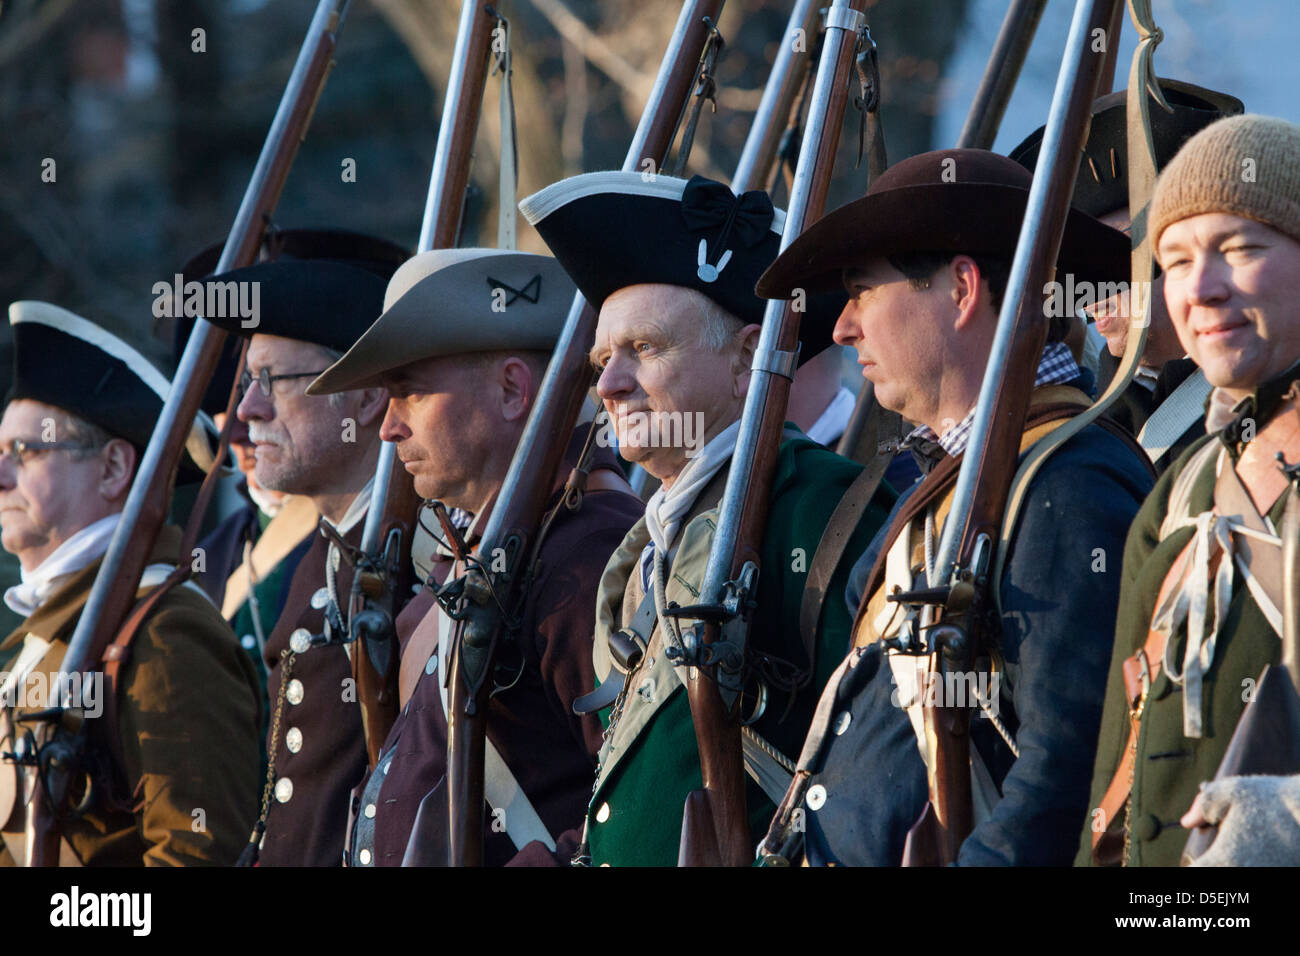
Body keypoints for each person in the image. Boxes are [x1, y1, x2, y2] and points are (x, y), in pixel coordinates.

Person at [755, 148, 1155, 865]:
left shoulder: (1066, 481)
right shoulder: (958, 483)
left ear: (963, 288)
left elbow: (1069, 767)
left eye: (862, 291)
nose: (843, 328)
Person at [520, 170, 896, 866]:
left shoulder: (823, 510)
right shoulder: (644, 549)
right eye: (604, 359)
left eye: (645, 349)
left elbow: (881, 772)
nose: (607, 385)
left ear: (749, 357)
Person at [305, 248, 643, 866]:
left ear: (514, 389)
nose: (387, 427)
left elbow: (640, 805)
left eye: (409, 393)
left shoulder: (589, 550)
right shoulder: (489, 550)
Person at [1081, 115, 1300, 867]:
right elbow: (1119, 780)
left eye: (1240, 249)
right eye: (1173, 260)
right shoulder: (1182, 488)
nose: (1201, 289)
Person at [0, 301, 261, 866]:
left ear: (115, 469)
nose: (1, 475)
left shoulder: (165, 633)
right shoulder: (56, 627)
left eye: (26, 451)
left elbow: (197, 855)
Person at [197, 230, 409, 865]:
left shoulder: (423, 562)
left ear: (367, 397)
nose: (247, 410)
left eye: (272, 380)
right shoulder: (329, 553)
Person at [1011, 79, 1243, 473]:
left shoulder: (1263, 401)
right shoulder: (1087, 416)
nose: (1088, 285)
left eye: (1108, 251)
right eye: (1077, 265)